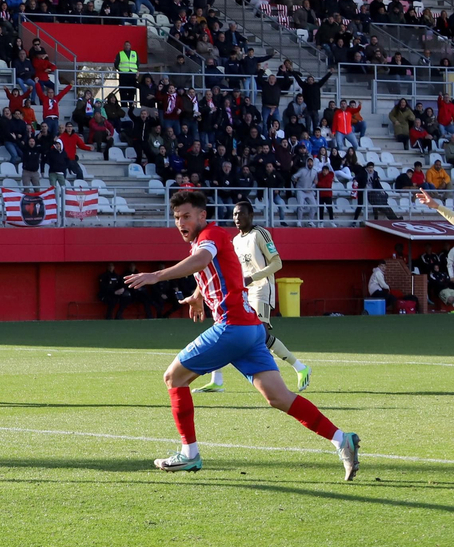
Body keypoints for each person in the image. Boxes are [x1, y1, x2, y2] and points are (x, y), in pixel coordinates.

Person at [124, 189, 360, 478]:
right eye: (176, 218)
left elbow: (201, 260)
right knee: (279, 397)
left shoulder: (211, 235)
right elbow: (214, 268)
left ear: (202, 215)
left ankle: (189, 453)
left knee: (174, 377)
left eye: (186, 216)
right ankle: (341, 440)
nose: (180, 222)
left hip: (232, 327)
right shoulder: (206, 240)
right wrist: (198, 295)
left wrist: (156, 275)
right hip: (250, 330)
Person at [196, 199, 312, 392]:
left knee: (260, 334)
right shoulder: (235, 240)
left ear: (251, 215)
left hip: (261, 289)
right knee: (226, 328)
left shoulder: (260, 234)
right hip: (242, 292)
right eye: (234, 214)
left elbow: (277, 263)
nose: (237, 218)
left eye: (241, 213)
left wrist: (252, 278)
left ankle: (300, 367)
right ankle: (217, 379)